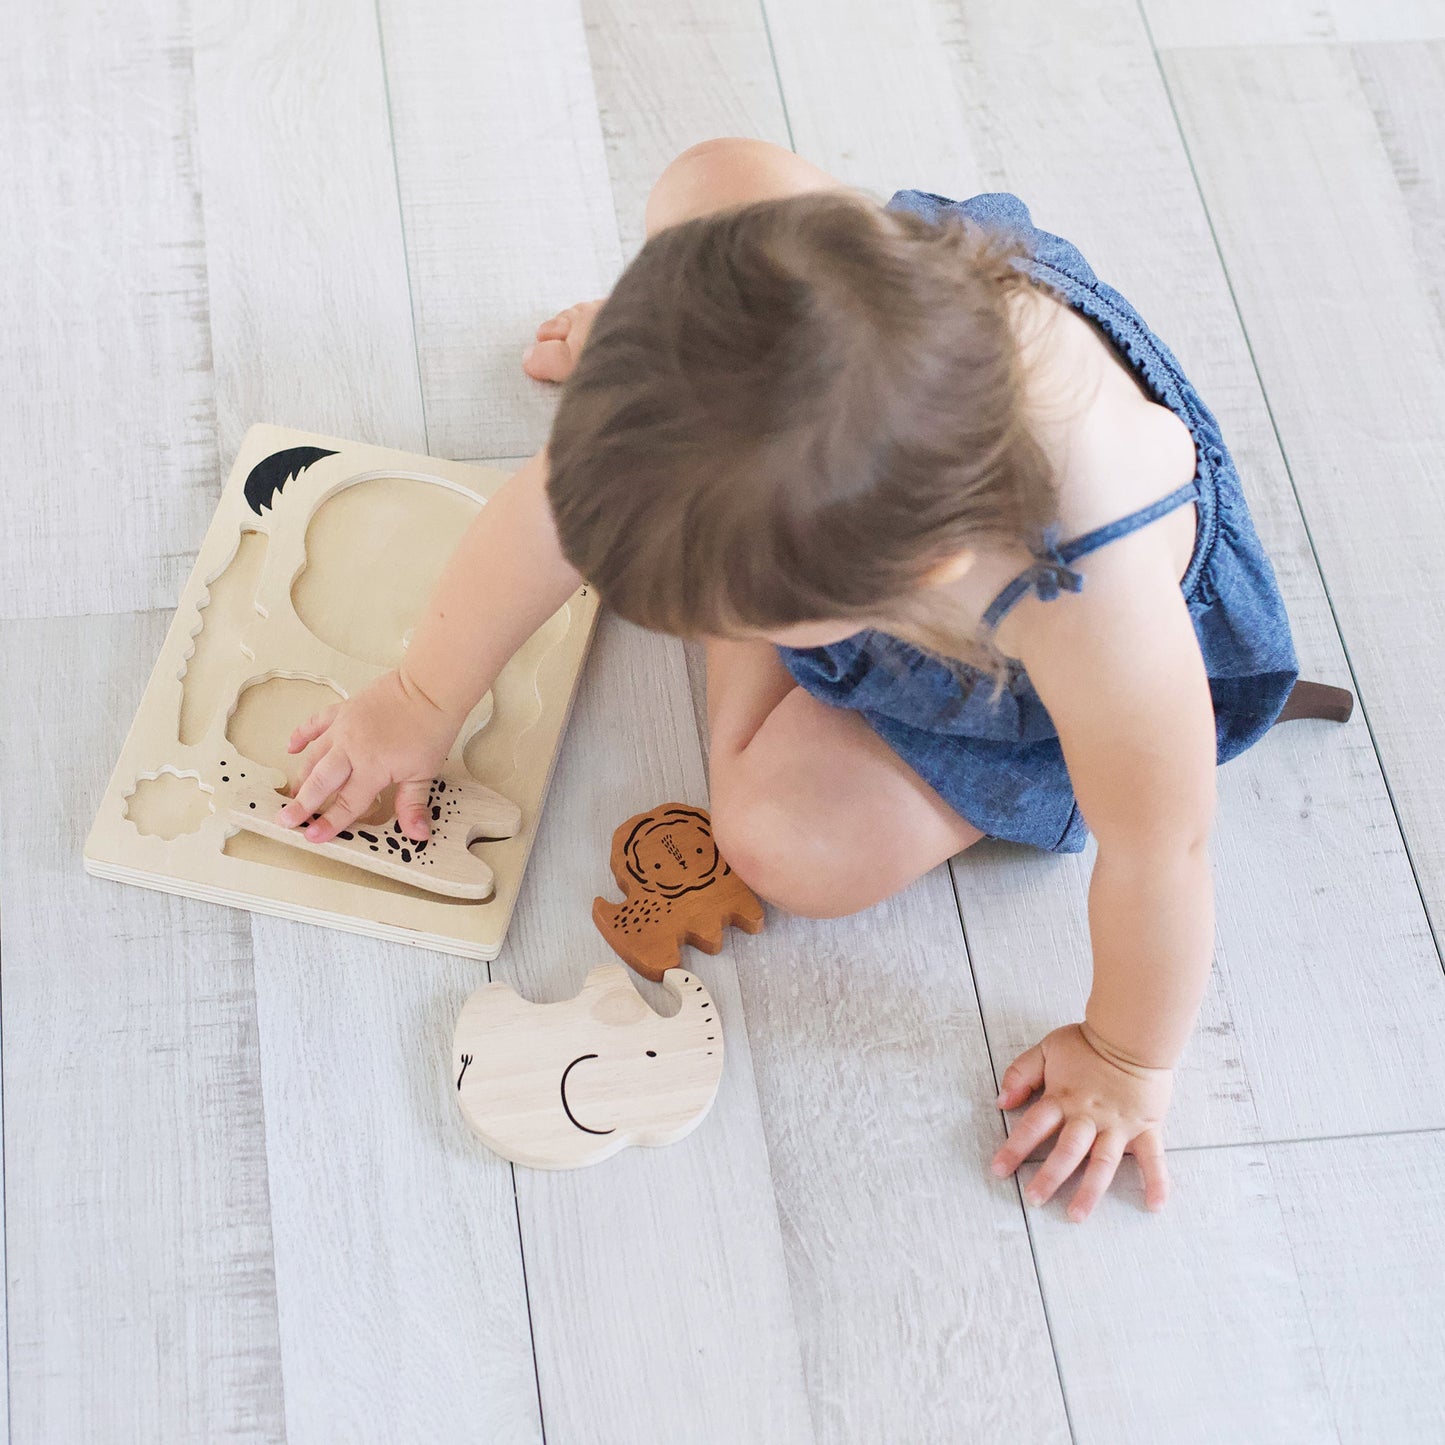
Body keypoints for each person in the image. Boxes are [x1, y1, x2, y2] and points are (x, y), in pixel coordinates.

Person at [277, 139, 1320, 1222]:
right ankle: (690, 466)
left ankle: (725, 546)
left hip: (1013, 681)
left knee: (787, 844)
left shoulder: (1090, 600)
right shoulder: (732, 215)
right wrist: (416, 699)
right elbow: (575, 487)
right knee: (662, 478)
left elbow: (1164, 848)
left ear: (904, 588)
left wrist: (1122, 1057)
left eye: (724, 619)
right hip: (855, 434)